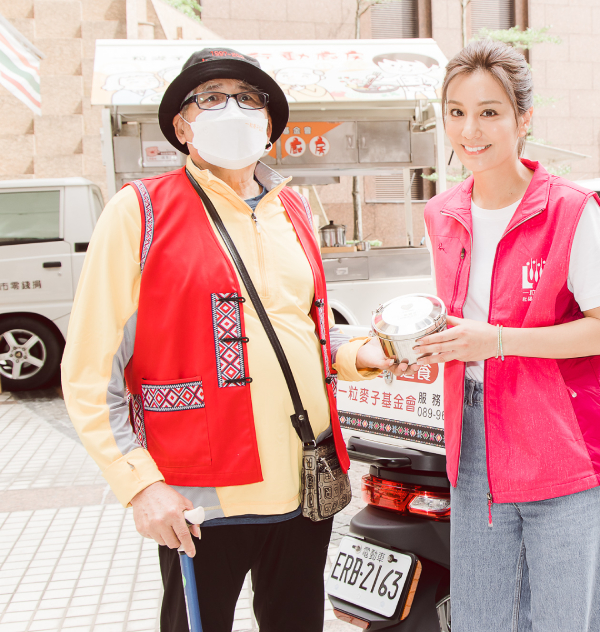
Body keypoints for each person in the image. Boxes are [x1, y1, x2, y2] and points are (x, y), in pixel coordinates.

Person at [62, 47, 399, 632]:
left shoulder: (290, 208)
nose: (233, 109)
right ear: (182, 126)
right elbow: (89, 374)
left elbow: (303, 332)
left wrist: (360, 355)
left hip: (303, 488)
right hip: (198, 501)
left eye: (248, 99)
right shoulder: (139, 212)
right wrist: (141, 486)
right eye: (212, 98)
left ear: (268, 127)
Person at [415, 39, 600, 631]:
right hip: (473, 440)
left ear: (523, 119)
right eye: (456, 111)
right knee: (483, 619)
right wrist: (428, 348)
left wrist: (500, 341)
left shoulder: (571, 209)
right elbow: (462, 322)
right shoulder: (441, 213)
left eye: (489, 112)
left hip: (563, 439)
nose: (470, 130)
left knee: (567, 619)